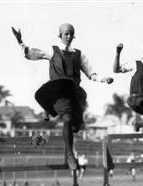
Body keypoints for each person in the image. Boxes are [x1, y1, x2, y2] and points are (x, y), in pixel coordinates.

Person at [12, 24, 113, 169]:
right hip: (58, 90)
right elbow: (32, 54)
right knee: (67, 118)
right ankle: (70, 155)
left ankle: (50, 110)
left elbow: (91, 73)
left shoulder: (79, 54)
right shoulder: (52, 50)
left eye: (71, 34)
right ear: (60, 35)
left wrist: (104, 79)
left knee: (76, 127)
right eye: (66, 34)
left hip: (74, 92)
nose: (69, 37)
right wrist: (20, 41)